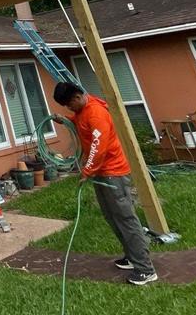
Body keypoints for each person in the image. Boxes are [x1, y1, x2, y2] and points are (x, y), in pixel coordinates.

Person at [53, 81, 157, 286]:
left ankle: (146, 269)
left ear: (77, 97)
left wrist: (87, 171)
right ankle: (132, 257)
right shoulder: (83, 111)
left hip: (112, 174)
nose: (69, 108)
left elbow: (98, 147)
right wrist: (65, 120)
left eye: (69, 105)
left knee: (125, 219)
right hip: (102, 173)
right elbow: (81, 123)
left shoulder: (96, 113)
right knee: (112, 217)